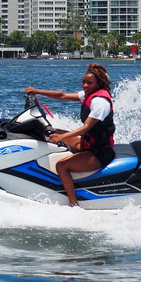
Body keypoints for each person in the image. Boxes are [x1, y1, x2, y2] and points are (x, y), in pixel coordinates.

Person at [25, 63, 116, 207]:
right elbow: (63, 95)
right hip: (88, 143)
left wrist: (62, 138)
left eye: (89, 83)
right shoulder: (89, 94)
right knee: (51, 132)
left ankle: (73, 204)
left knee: (62, 166)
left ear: (99, 83)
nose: (85, 85)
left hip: (99, 152)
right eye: (83, 82)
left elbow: (86, 128)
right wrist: (37, 91)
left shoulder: (100, 102)